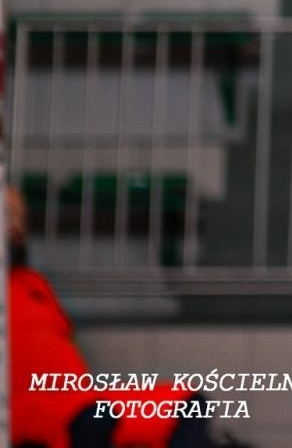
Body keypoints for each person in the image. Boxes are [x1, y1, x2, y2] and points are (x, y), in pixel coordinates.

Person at [6, 184, 229, 448]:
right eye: (8, 215)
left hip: (77, 397)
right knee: (92, 421)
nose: (17, 228)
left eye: (20, 218)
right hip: (23, 406)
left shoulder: (32, 283)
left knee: (187, 403)